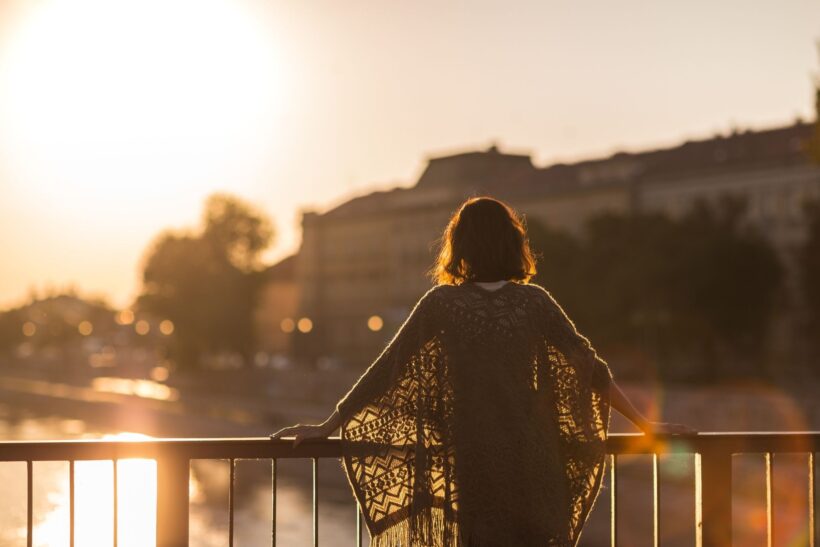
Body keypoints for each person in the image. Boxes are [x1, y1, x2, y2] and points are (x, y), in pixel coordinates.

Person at [271, 196, 693, 546]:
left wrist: (329, 425)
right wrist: (646, 426)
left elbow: (387, 370)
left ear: (460, 246)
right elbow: (592, 371)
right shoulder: (535, 302)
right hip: (535, 457)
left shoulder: (442, 304)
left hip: (474, 457)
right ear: (514, 243)